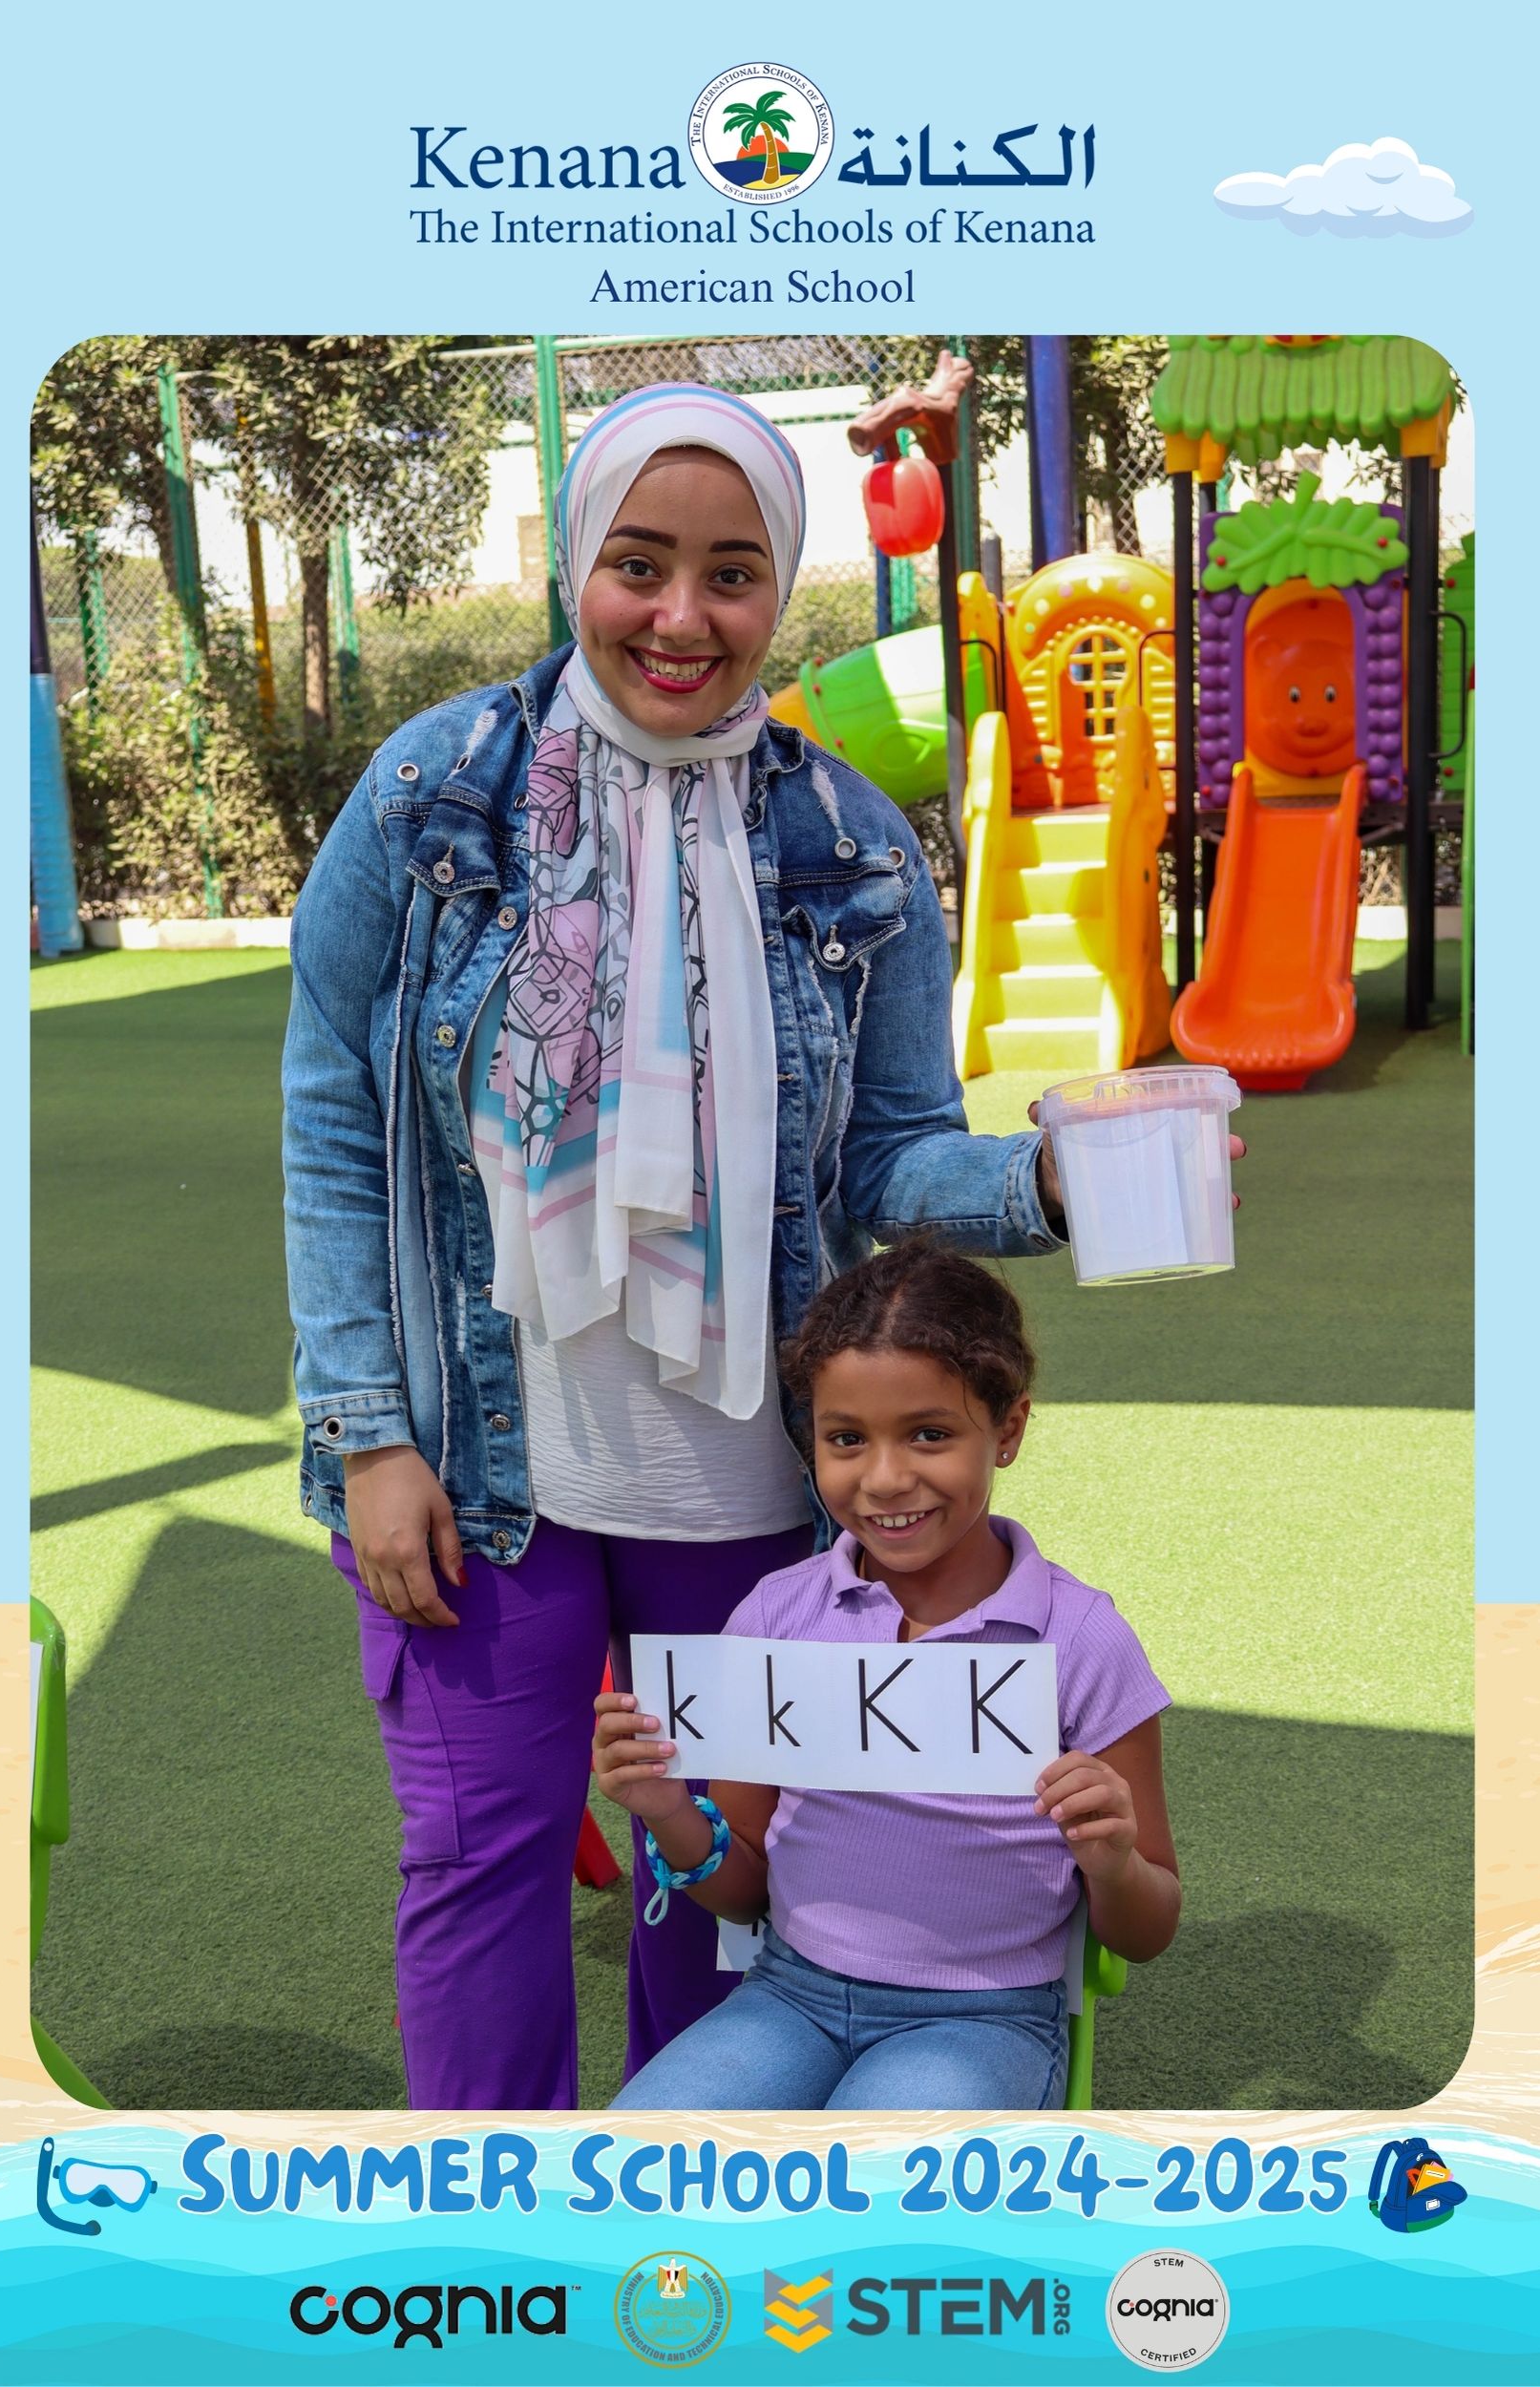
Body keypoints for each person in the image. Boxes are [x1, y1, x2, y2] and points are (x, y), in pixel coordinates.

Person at [282, 382, 1224, 2113]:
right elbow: (338, 1119)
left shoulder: (850, 840)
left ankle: (692, 2225)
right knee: (480, 1866)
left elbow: (889, 1159)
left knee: (702, 1889)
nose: (681, 617)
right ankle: (502, 2225)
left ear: (780, 585)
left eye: (732, 575)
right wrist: (366, 1433)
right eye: (638, 564)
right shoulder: (429, 795)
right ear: (578, 560)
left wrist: (1056, 1181)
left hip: (741, 1488)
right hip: (477, 1463)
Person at [598, 1239, 1179, 2110]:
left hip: (984, 2021)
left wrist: (1113, 1860)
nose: (885, 1479)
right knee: (636, 2156)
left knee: (875, 2175)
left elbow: (1146, 1931)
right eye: (846, 1439)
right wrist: (666, 1809)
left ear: (1008, 1430)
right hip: (788, 1996)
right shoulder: (776, 1616)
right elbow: (744, 1893)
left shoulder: (1081, 1639)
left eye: (930, 1435)